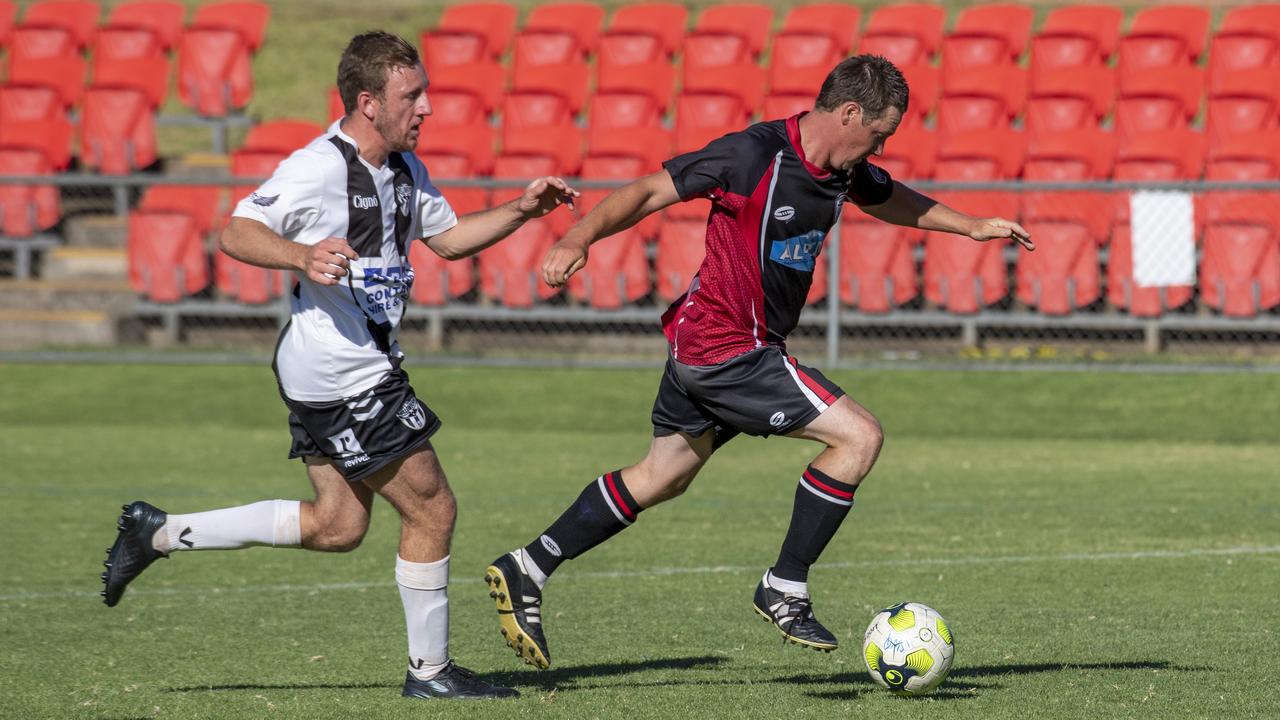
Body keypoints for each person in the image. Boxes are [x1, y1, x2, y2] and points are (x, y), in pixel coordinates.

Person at [484, 54, 1033, 669]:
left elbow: (891, 199)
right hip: (728, 349)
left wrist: (972, 227)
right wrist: (576, 237)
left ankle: (528, 565)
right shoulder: (753, 155)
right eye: (879, 135)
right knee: (858, 437)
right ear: (850, 114)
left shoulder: (845, 170)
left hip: (708, 345)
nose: (880, 148)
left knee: (663, 475)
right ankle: (785, 585)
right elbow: (647, 191)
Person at [100, 31, 578, 700]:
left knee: (338, 527)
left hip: (338, 365)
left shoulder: (406, 170)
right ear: (368, 102)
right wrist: (299, 256)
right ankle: (431, 673)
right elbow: (235, 230)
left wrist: (523, 211)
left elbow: (448, 239)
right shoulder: (320, 166)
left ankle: (159, 533)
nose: (428, 109)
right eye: (413, 96)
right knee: (433, 507)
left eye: (426, 93)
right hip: (342, 369)